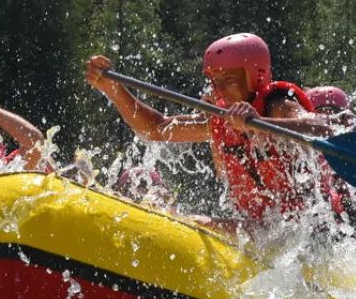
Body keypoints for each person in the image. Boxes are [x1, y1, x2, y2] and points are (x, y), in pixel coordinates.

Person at [84, 33, 338, 225]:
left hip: (301, 230)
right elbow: (156, 128)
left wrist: (264, 125)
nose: (219, 89)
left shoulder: (277, 107)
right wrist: (113, 89)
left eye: (228, 80)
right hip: (260, 229)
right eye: (214, 80)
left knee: (199, 223)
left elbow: (324, 127)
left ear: (256, 77)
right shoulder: (220, 117)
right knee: (194, 221)